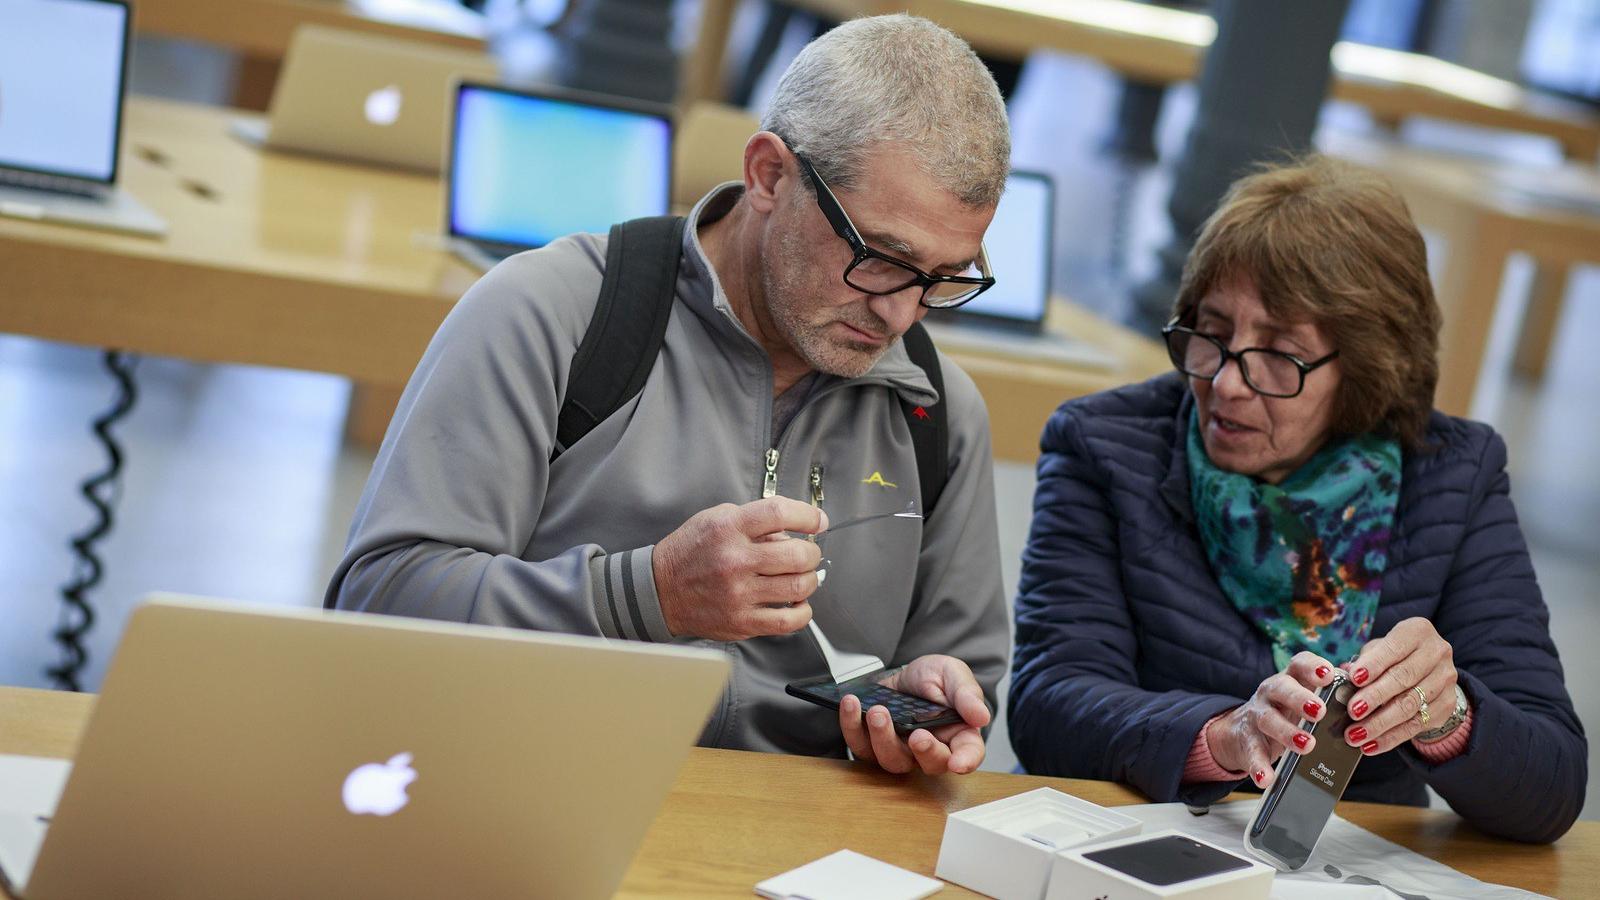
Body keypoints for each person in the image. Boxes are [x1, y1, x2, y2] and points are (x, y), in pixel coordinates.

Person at [326, 15, 1012, 776]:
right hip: (524, 786)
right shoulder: (555, 313)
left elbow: (965, 663)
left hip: (801, 840)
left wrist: (932, 701)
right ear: (769, 176)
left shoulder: (937, 409)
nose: (902, 314)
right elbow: (379, 601)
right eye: (881, 259)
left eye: (947, 278)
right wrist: (647, 593)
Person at [1008, 157, 1586, 842]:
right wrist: (1226, 735)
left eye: (1280, 354)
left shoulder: (1453, 475)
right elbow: (1049, 707)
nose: (1225, 384)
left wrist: (1447, 714)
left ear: (1367, 367)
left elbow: (1553, 786)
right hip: (1130, 846)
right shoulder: (1103, 446)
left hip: (1354, 870)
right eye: (1212, 334)